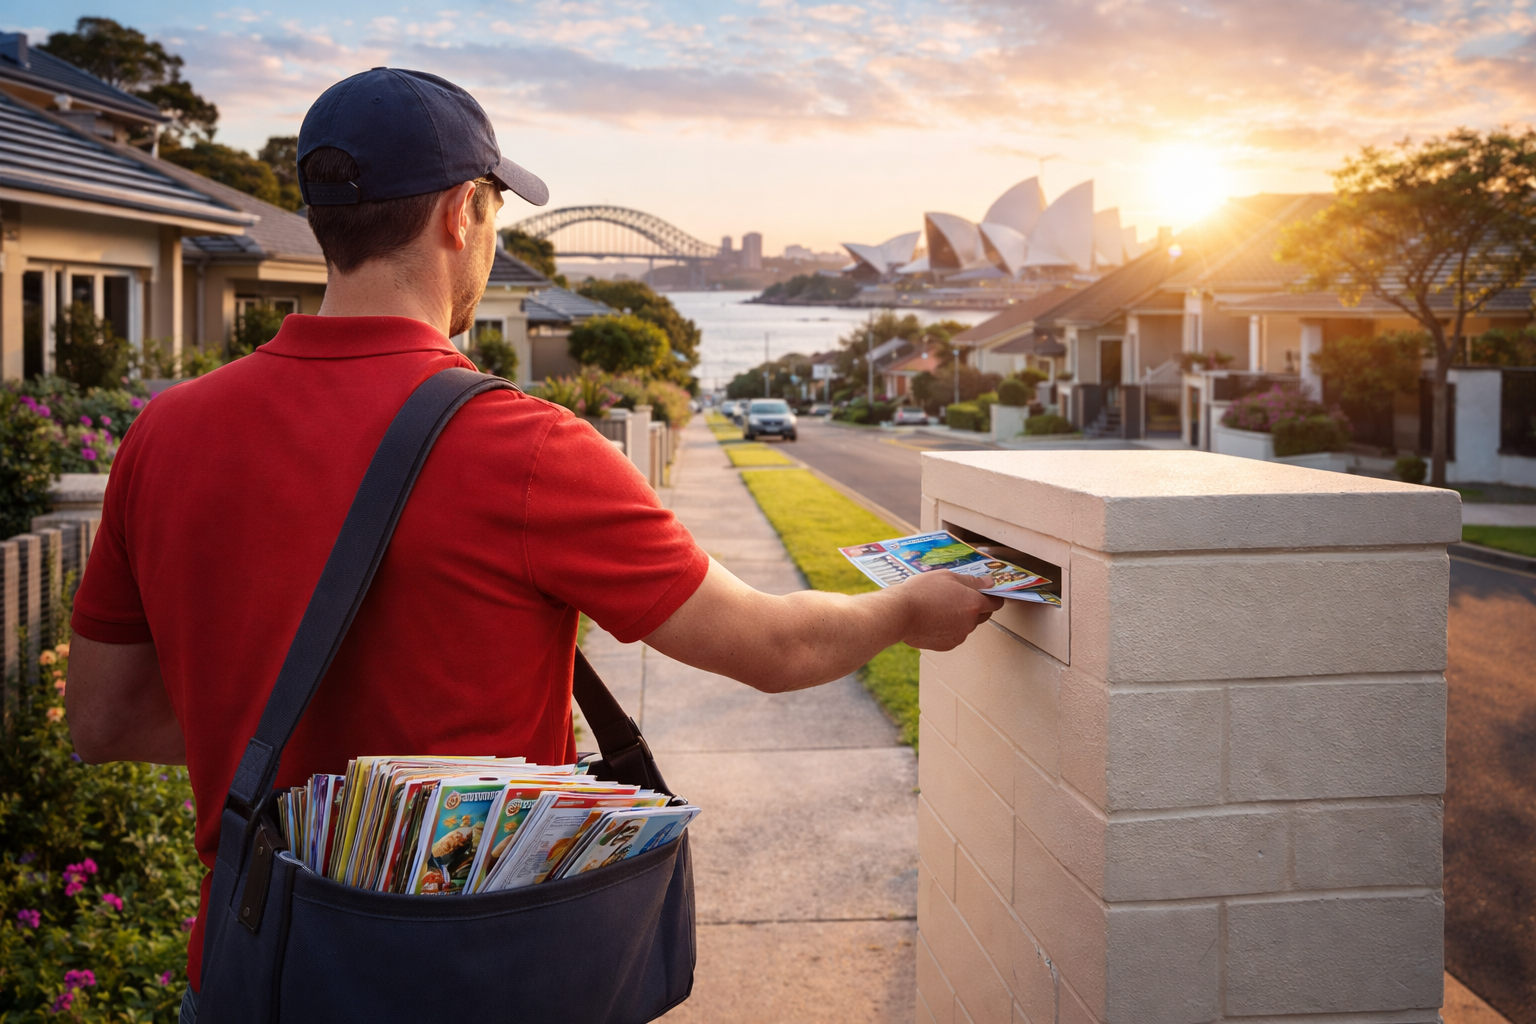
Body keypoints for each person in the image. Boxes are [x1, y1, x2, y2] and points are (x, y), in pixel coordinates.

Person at [64, 68, 1001, 1007]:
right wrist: (909, 609)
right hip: (472, 981)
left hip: (258, 978)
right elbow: (772, 645)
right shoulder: (527, 447)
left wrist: (281, 732)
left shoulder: (167, 432)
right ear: (462, 215)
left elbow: (103, 723)